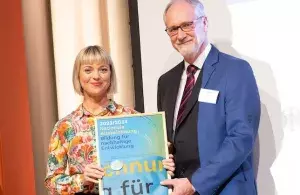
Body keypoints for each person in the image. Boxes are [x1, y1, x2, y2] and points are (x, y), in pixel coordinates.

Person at [158, 0, 261, 194]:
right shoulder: (166, 81)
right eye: (172, 29)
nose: (180, 35)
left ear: (204, 23)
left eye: (187, 25)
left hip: (226, 189)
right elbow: (169, 140)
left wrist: (196, 183)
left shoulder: (235, 70)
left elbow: (241, 137)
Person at [45, 45, 175, 194]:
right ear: (78, 76)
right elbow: (51, 183)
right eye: (88, 70)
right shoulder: (65, 127)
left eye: (103, 69)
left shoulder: (133, 118)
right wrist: (81, 179)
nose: (96, 76)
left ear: (111, 75)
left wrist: (163, 167)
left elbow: (154, 166)